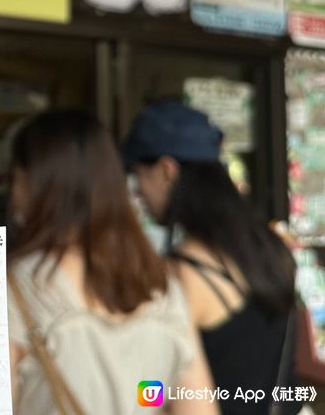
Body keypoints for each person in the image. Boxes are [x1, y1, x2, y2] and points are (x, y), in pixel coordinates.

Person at [7, 110, 216, 415]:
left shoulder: (14, 290)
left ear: (29, 182)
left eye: (14, 179)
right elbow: (196, 408)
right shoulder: (162, 289)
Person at [124, 101, 298, 415]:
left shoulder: (185, 271)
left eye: (139, 178)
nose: (139, 195)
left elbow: (159, 393)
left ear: (166, 171)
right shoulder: (272, 248)